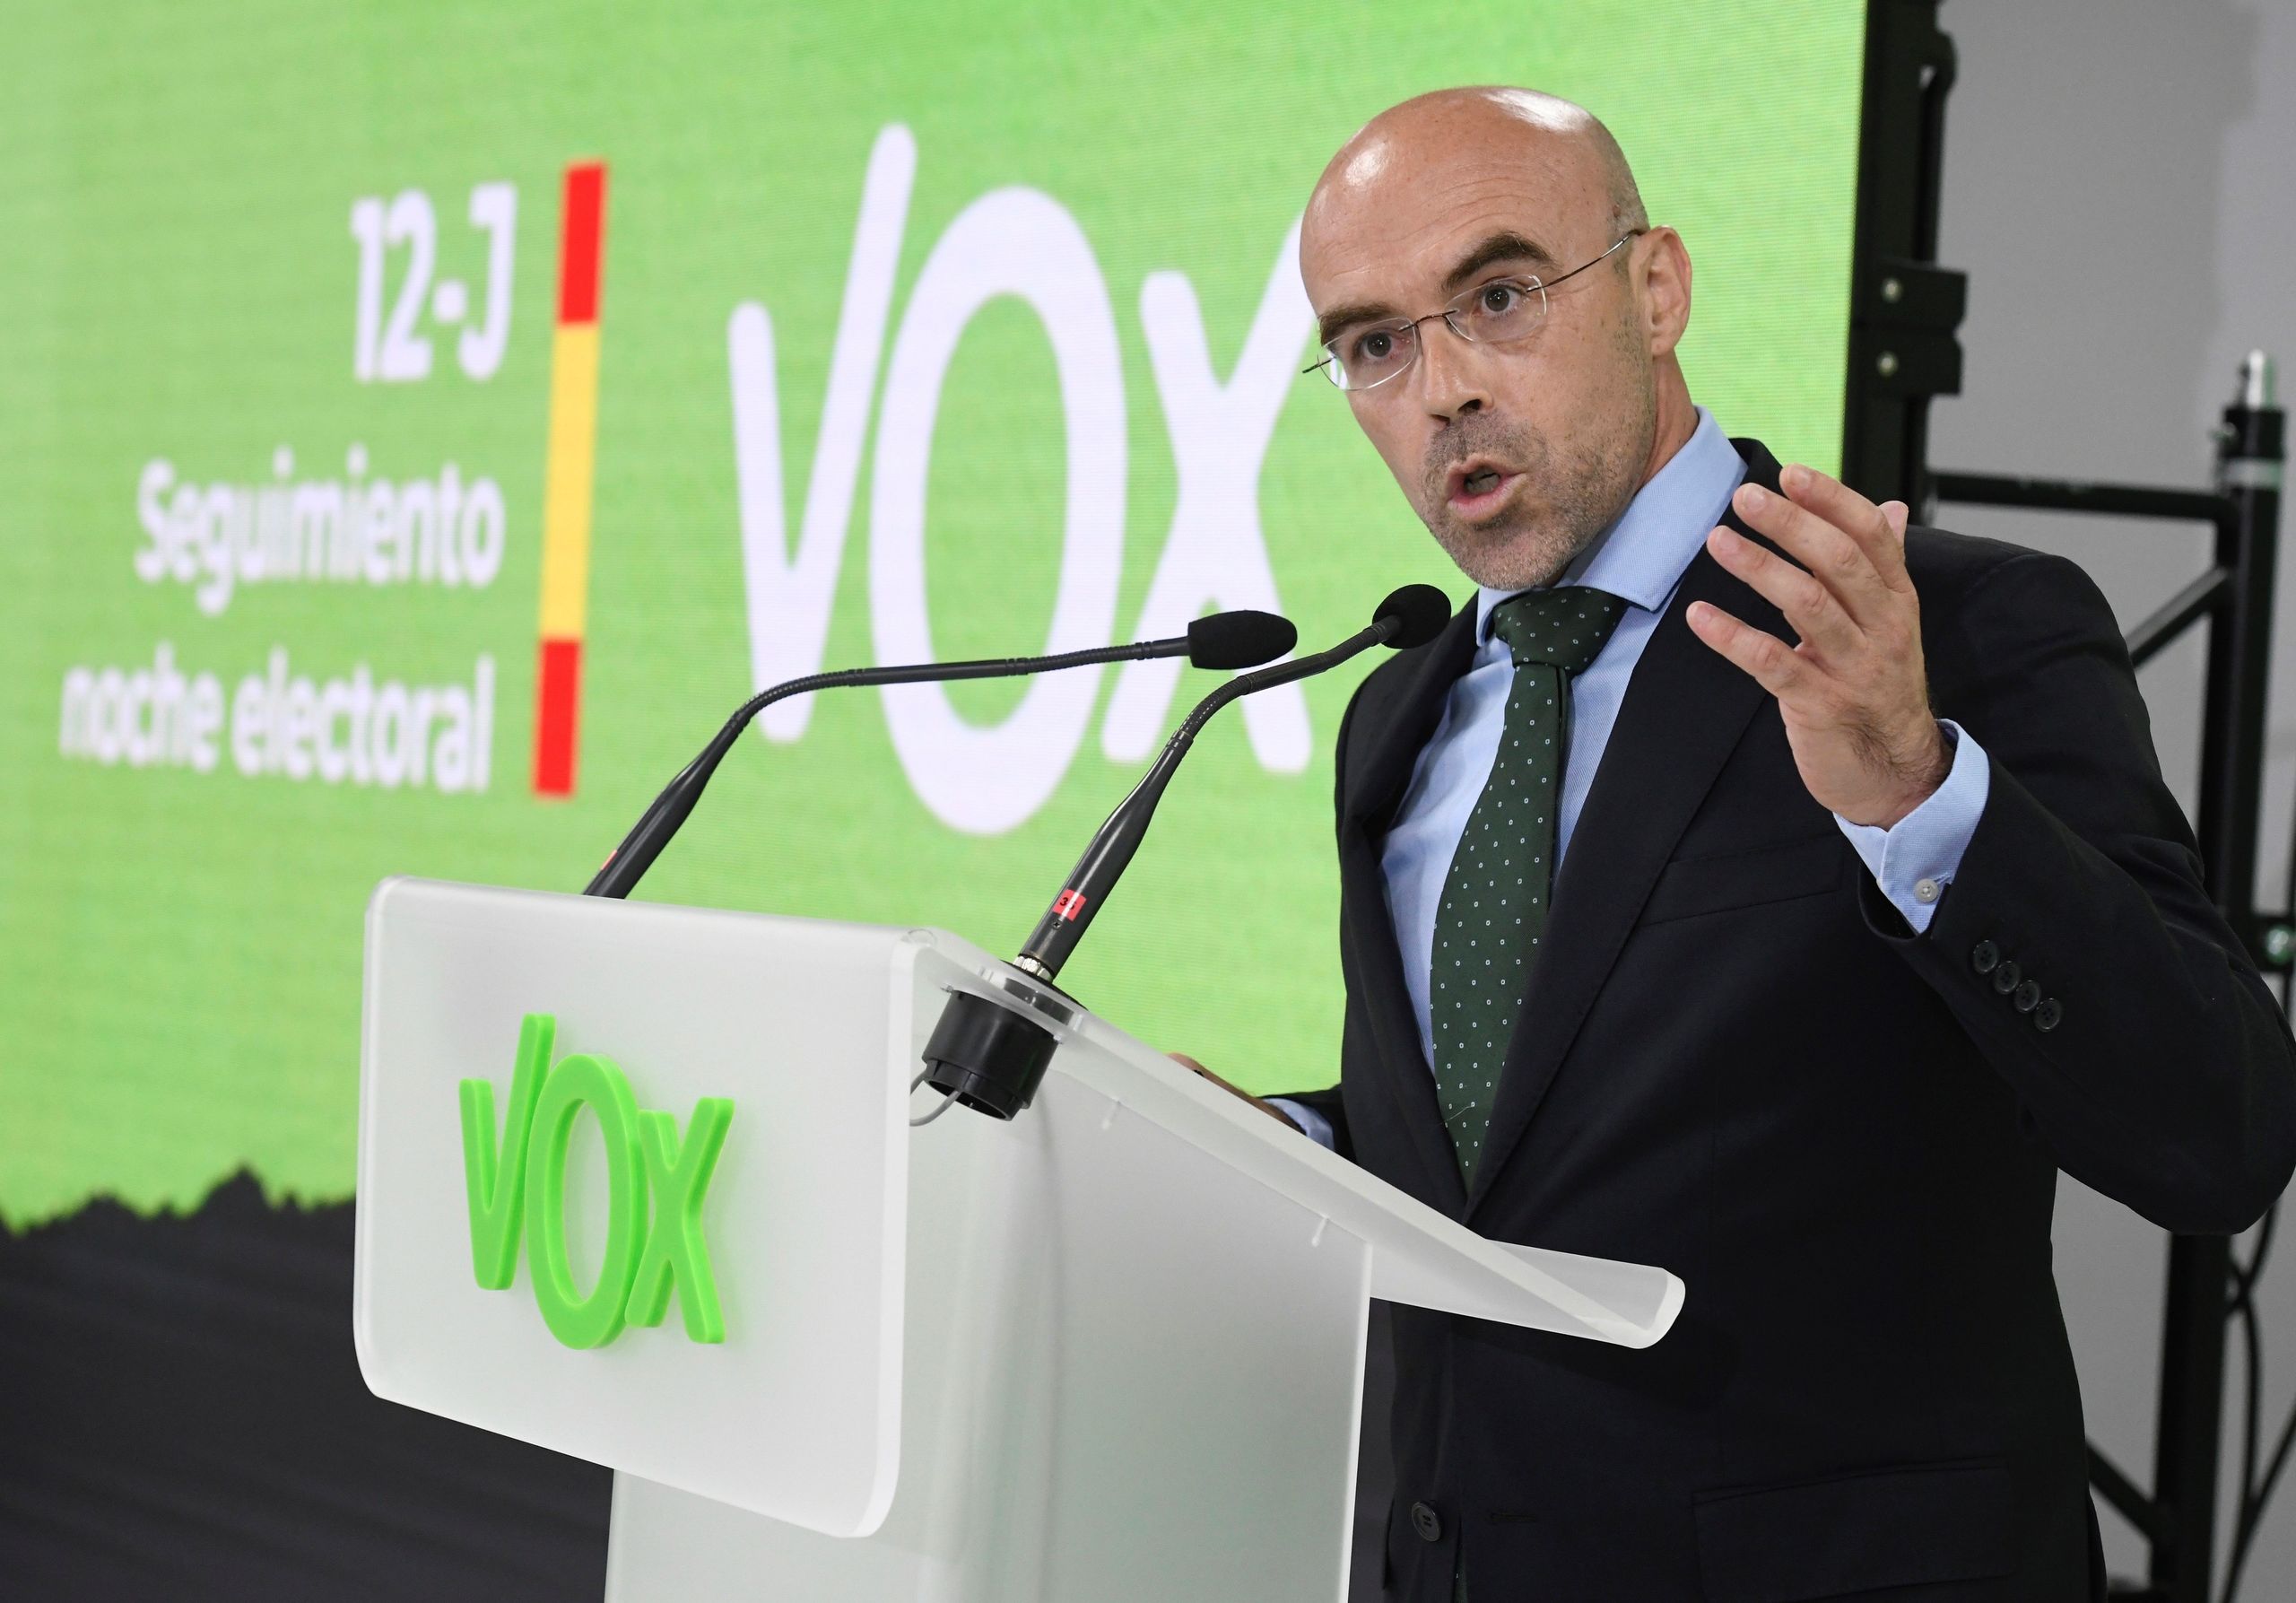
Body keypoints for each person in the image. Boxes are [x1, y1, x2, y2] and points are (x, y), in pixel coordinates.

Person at [1176, 87, 2296, 1600]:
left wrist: (1915, 793)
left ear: (1657, 289)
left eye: (1498, 297)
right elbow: (1522, 1152)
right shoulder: (1398, 713)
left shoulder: (1949, 632)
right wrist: (1287, 1150)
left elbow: (2217, 1131)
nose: (1440, 390)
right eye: (1375, 344)